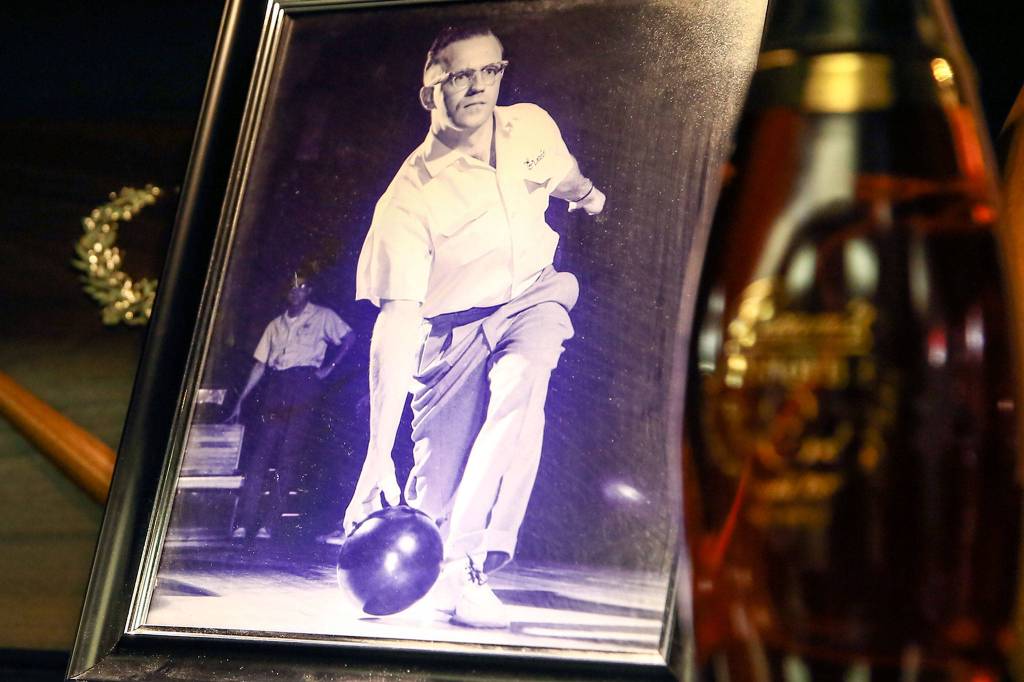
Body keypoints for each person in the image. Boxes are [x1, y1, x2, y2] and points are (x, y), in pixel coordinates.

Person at [344, 24, 606, 628]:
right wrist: (376, 453)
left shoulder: (530, 127)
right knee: (430, 497)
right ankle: (436, 558)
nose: (479, 86)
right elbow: (398, 323)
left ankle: (469, 569)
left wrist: (588, 196)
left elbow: (561, 174)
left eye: (491, 71)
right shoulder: (408, 200)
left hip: (533, 298)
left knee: (522, 392)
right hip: (450, 334)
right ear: (428, 90)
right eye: (460, 75)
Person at [228, 273, 354, 540]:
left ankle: (269, 525)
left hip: (303, 385)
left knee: (289, 455)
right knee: (261, 455)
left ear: (310, 290)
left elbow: (349, 338)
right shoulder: (275, 325)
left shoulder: (322, 316)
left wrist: (327, 369)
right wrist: (241, 401)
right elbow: (260, 364)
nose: (296, 293)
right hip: (277, 386)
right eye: (292, 288)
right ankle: (244, 523)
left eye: (302, 287)